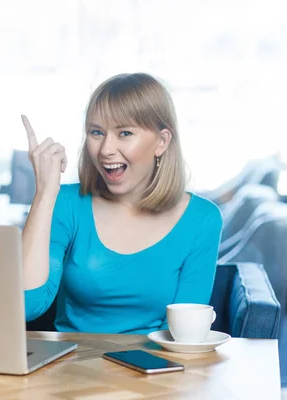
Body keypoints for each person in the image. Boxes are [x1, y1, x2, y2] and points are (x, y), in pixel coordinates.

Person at [20, 72, 223, 334]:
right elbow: (28, 306)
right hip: (71, 370)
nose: (105, 149)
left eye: (125, 133)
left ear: (161, 142)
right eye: (96, 132)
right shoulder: (66, 204)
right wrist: (44, 194)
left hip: (155, 368)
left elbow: (184, 333)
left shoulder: (202, 219)